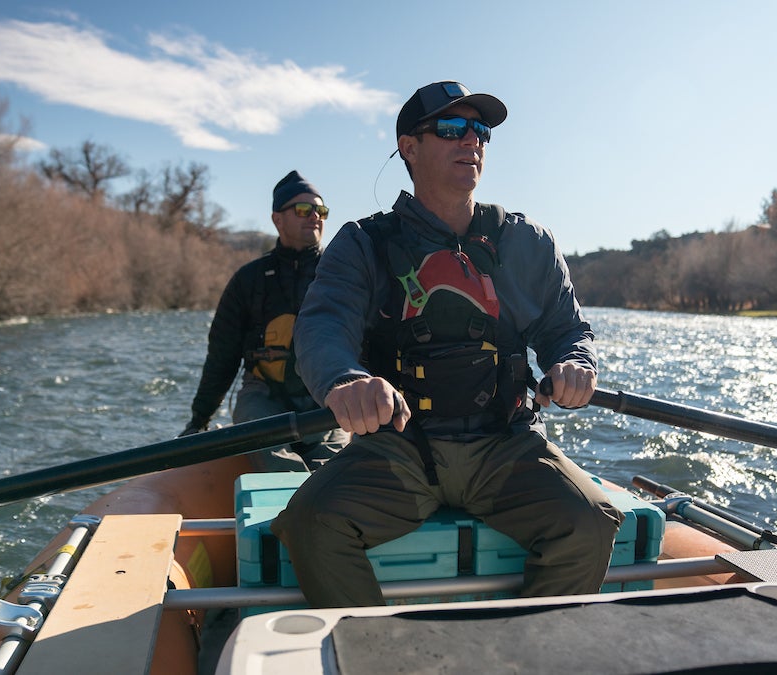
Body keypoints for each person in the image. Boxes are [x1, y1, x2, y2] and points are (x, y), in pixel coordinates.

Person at [271, 81, 623, 607]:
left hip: (506, 444)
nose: (472, 142)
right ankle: (372, 655)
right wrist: (345, 382)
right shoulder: (361, 244)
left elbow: (565, 330)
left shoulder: (529, 243)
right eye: (452, 129)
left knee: (589, 522)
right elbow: (322, 330)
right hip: (400, 449)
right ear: (408, 148)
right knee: (312, 525)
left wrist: (573, 362)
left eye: (480, 131)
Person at [179, 170, 349, 471]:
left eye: (321, 210)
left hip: (325, 395)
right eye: (303, 209)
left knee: (333, 465)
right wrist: (199, 420)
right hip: (263, 395)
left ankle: (322, 496)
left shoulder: (342, 275)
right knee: (270, 449)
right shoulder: (248, 281)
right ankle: (295, 502)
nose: (315, 217)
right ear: (277, 219)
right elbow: (222, 357)